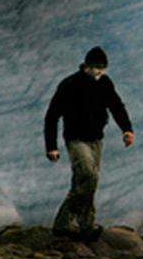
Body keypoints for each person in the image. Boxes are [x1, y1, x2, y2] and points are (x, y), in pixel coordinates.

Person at [43, 46, 135, 239]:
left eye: (102, 68)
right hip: (76, 139)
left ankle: (82, 226)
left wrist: (127, 129)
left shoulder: (105, 83)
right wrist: (51, 146)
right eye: (95, 67)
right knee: (89, 176)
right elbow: (52, 115)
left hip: (96, 140)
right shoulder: (70, 84)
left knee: (83, 182)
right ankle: (69, 223)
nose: (99, 72)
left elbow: (116, 106)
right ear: (86, 66)